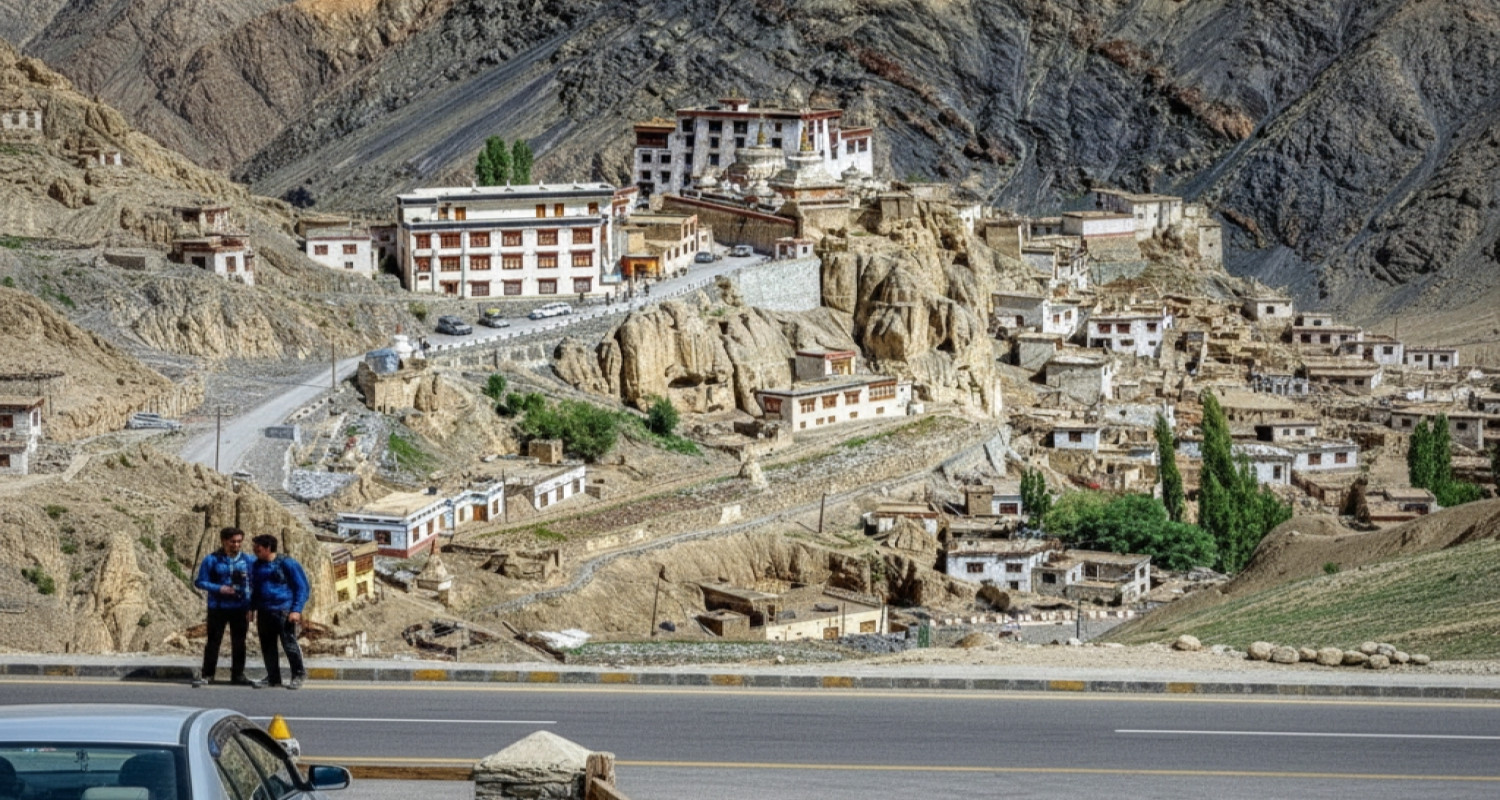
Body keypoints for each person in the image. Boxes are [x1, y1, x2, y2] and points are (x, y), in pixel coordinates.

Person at [191, 527, 254, 688]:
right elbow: (200, 582)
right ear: (224, 541)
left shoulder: (248, 560)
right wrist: (219, 588)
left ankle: (238, 675)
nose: (236, 545)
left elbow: (254, 582)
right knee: (213, 641)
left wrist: (251, 605)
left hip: (240, 607)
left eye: (239, 541)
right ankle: (208, 674)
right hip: (217, 607)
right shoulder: (211, 560)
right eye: (232, 541)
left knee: (239, 642)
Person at [248, 534, 310, 690]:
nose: (255, 550)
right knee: (267, 646)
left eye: (258, 548)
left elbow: (302, 587)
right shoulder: (257, 566)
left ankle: (298, 674)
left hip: (283, 610)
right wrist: (251, 608)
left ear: (268, 548)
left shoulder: (287, 564)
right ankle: (273, 677)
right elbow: (254, 589)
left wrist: (296, 610)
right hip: (264, 611)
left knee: (289, 645)